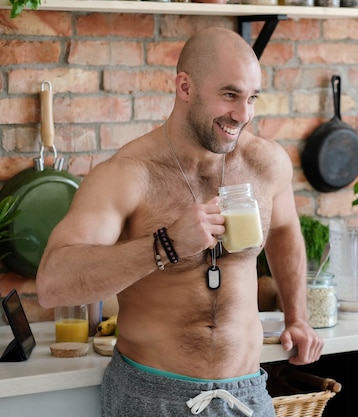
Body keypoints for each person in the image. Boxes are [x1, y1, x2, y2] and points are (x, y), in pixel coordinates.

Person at [36, 26, 323, 417]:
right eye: (229, 95)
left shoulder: (265, 163)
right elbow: (54, 284)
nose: (243, 115)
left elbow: (286, 230)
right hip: (152, 397)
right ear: (184, 87)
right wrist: (164, 245)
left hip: (248, 394)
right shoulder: (128, 174)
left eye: (252, 97)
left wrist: (297, 316)